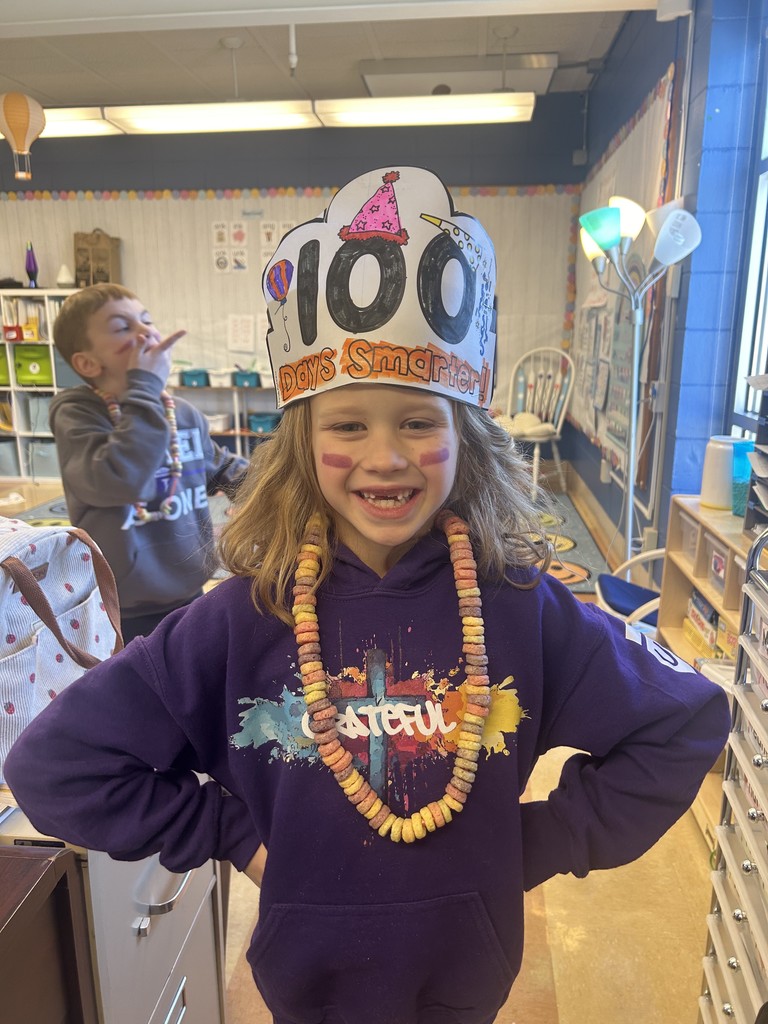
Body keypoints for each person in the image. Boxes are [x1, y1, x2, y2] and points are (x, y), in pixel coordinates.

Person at [6, 167, 730, 1024]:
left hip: (469, 975)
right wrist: (234, 835)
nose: (384, 456)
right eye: (348, 425)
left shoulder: (523, 608)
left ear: (466, 441)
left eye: (418, 422)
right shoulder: (241, 619)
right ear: (301, 446)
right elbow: (55, 765)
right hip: (304, 980)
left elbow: (684, 722)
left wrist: (535, 842)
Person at [46, 283, 249, 641]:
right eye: (124, 327)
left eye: (146, 321)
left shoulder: (181, 414)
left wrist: (287, 486)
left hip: (188, 590)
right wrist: (143, 387)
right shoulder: (77, 412)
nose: (146, 332)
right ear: (87, 363)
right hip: (120, 606)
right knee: (140, 692)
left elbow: (223, 469)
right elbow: (119, 479)